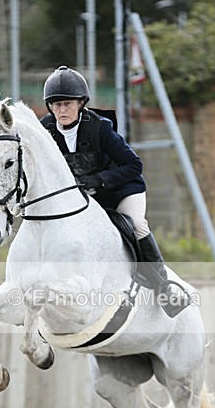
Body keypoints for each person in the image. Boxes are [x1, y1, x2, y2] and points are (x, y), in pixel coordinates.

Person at [40, 65, 191, 318]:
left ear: (81, 103)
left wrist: (99, 180)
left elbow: (134, 165)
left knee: (136, 224)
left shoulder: (101, 127)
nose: (61, 110)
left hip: (121, 190)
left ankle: (164, 288)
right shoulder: (46, 130)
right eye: (56, 105)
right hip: (85, 198)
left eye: (67, 103)